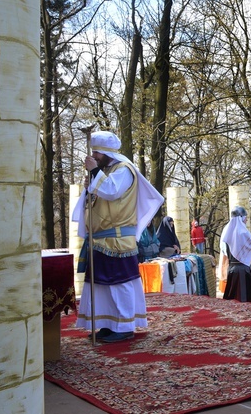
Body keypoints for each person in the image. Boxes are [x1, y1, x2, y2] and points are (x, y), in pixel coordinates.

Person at [72, 130, 165, 343]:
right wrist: (89, 186)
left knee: (118, 282)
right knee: (100, 285)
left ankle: (123, 325)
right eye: (93, 152)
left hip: (116, 240)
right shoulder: (106, 171)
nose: (93, 156)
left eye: (96, 152)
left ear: (106, 152)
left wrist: (95, 172)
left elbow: (112, 191)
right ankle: (106, 324)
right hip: (100, 240)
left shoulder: (123, 170)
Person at [220, 206, 251, 305]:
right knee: (243, 297)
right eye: (245, 217)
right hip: (241, 270)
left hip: (232, 268)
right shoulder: (241, 231)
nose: (246, 219)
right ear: (240, 217)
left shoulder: (227, 230)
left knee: (234, 297)